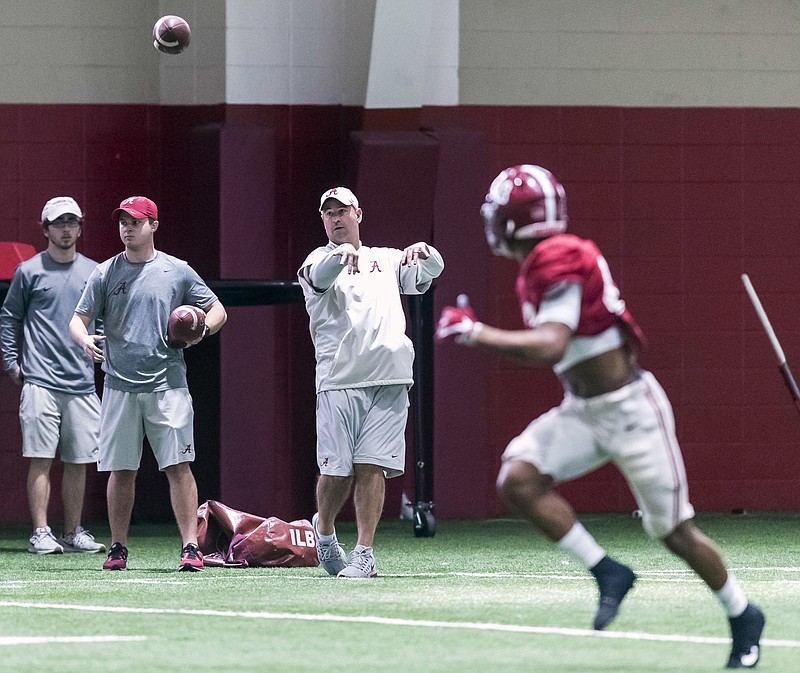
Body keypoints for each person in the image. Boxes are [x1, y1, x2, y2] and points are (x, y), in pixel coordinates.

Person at [435, 165, 765, 669]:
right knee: (518, 479)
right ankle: (608, 570)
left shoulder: (557, 256)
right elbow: (550, 350)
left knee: (674, 533)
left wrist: (476, 332)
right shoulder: (543, 260)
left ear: (511, 222)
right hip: (585, 410)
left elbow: (551, 344)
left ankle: (743, 614)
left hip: (632, 410)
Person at [69, 196, 227, 572]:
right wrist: (85, 340)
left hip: (167, 386)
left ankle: (191, 546)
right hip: (120, 387)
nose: (127, 227)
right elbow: (78, 319)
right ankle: (118, 547)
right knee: (121, 470)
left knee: (178, 465)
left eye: (135, 222)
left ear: (153, 226)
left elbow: (218, 310)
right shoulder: (106, 272)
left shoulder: (177, 270)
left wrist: (202, 329)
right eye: (122, 221)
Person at [298, 187, 444, 579]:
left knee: (373, 466)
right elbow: (321, 277)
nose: (335, 218)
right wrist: (339, 258)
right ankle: (325, 531)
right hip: (339, 379)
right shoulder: (317, 260)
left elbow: (430, 275)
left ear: (358, 214)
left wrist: (428, 253)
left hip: (391, 376)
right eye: (328, 213)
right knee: (336, 472)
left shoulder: (387, 258)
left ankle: (365, 552)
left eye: (342, 211)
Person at [0, 197, 105, 555]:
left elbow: (101, 319)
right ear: (45, 229)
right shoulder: (29, 271)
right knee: (41, 458)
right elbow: (10, 318)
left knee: (79, 461)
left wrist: (102, 356)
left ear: (79, 227)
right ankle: (41, 532)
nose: (65, 229)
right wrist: (12, 363)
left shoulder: (94, 271)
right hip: (40, 382)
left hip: (81, 384)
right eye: (58, 223)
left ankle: (74, 531)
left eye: (71, 222)